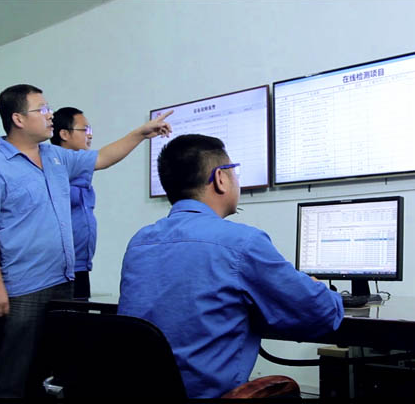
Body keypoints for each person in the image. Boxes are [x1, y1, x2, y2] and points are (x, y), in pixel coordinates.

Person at [0, 84, 171, 398]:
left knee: (49, 374)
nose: (50, 116)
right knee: (11, 375)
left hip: (62, 283)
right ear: (18, 119)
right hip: (22, 288)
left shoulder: (55, 156)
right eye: (42, 110)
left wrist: (140, 134)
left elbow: (102, 157)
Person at [118, 134, 344, 398]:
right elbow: (321, 313)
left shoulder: (140, 242)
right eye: (234, 171)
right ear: (220, 178)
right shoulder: (241, 242)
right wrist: (319, 289)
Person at [49, 107, 97, 298]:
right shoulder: (53, 167)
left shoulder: (83, 172)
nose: (89, 135)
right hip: (59, 268)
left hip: (82, 265)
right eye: (84, 129)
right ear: (64, 134)